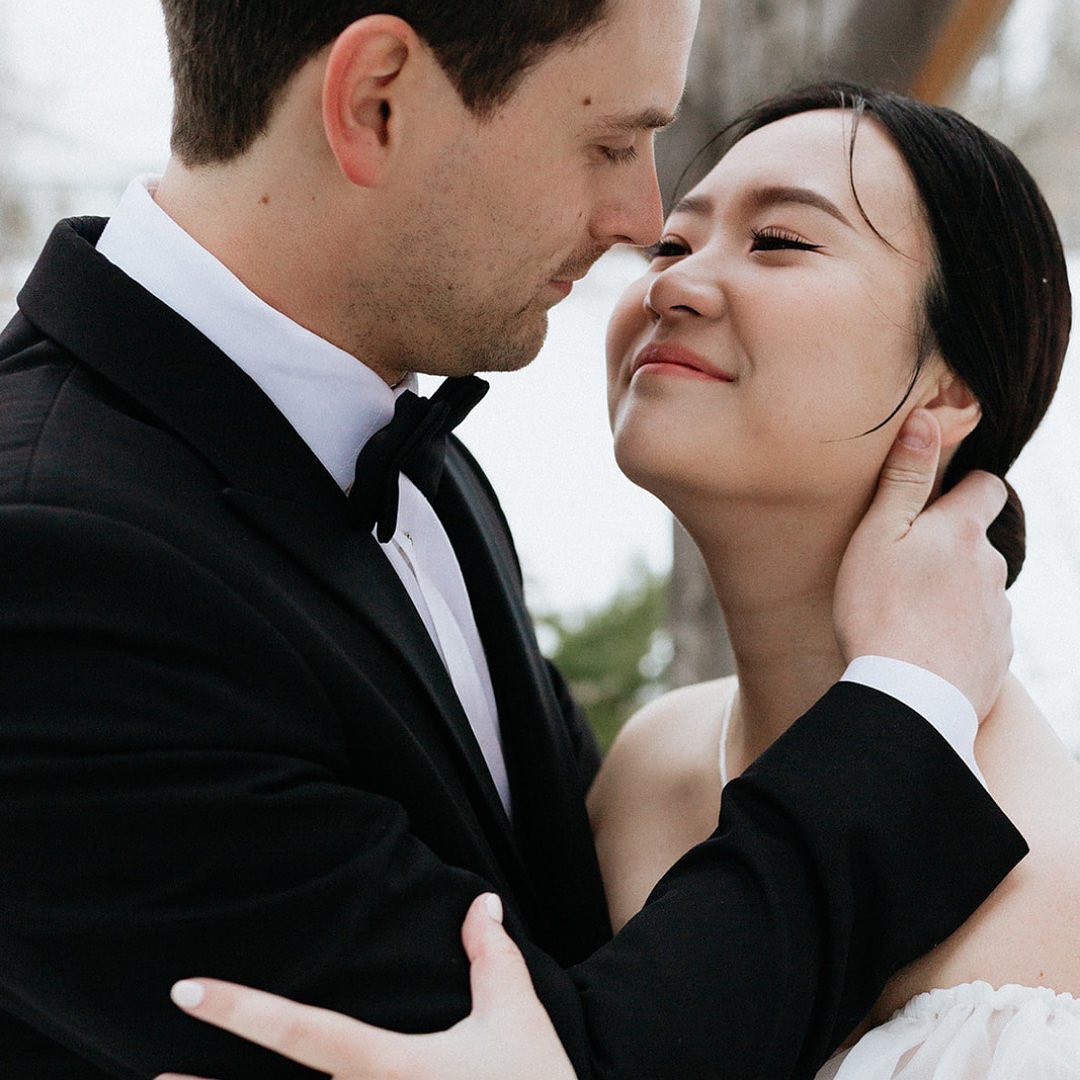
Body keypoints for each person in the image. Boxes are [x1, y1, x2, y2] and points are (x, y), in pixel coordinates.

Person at [0, 0, 1022, 1071]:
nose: (641, 220)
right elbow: (566, 1059)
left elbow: (558, 938)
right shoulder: (55, 574)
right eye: (612, 143)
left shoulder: (404, 455)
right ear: (376, 103)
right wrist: (908, 705)